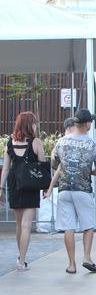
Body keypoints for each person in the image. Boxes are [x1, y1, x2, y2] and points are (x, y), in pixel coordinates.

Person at [53, 109, 96, 273]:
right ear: (87, 124)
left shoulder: (61, 141)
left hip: (64, 189)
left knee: (69, 227)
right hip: (83, 189)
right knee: (88, 225)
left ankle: (71, 264)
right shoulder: (93, 144)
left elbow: (55, 162)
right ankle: (87, 257)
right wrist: (87, 171)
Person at [0, 111, 46, 272]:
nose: (36, 125)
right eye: (34, 122)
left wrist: (0, 188)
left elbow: (5, 169)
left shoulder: (10, 142)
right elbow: (43, 164)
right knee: (27, 225)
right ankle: (22, 259)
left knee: (19, 224)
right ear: (30, 124)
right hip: (31, 185)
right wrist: (46, 187)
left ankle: (20, 256)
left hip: (15, 184)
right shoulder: (36, 142)